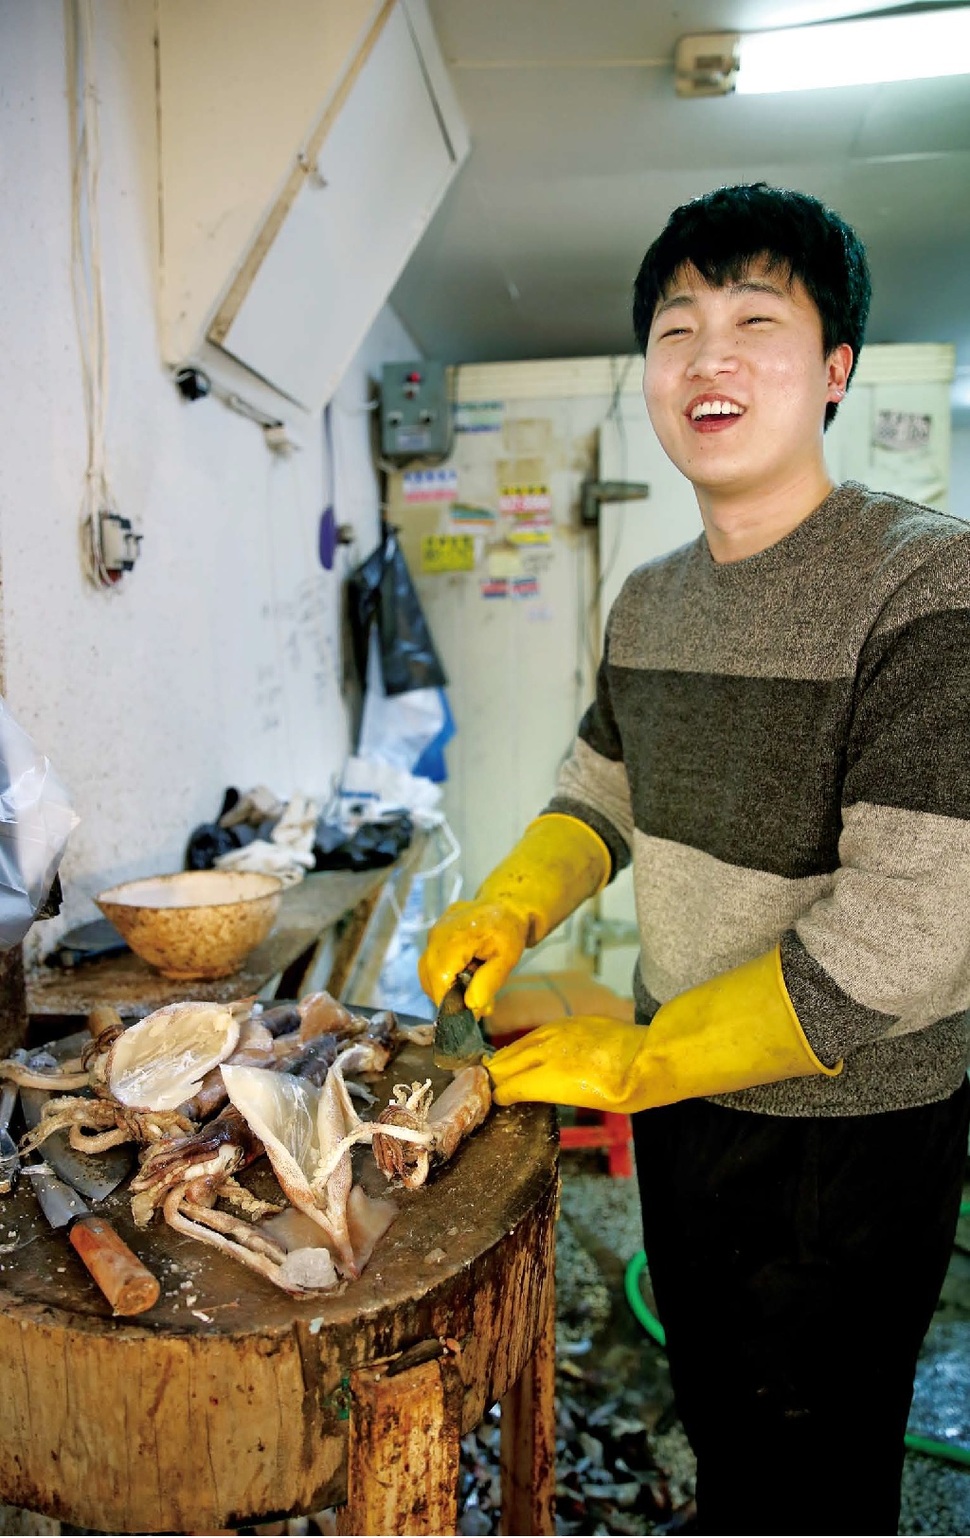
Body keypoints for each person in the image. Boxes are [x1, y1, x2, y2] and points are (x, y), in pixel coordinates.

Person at [419, 183, 970, 1537]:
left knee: (820, 1465)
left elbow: (901, 943)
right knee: (721, 1404)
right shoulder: (652, 593)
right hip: (689, 1106)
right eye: (675, 327)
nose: (706, 357)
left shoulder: (924, 587)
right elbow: (598, 787)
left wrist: (635, 1058)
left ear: (833, 368)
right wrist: (513, 897)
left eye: (753, 319)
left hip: (849, 1128)